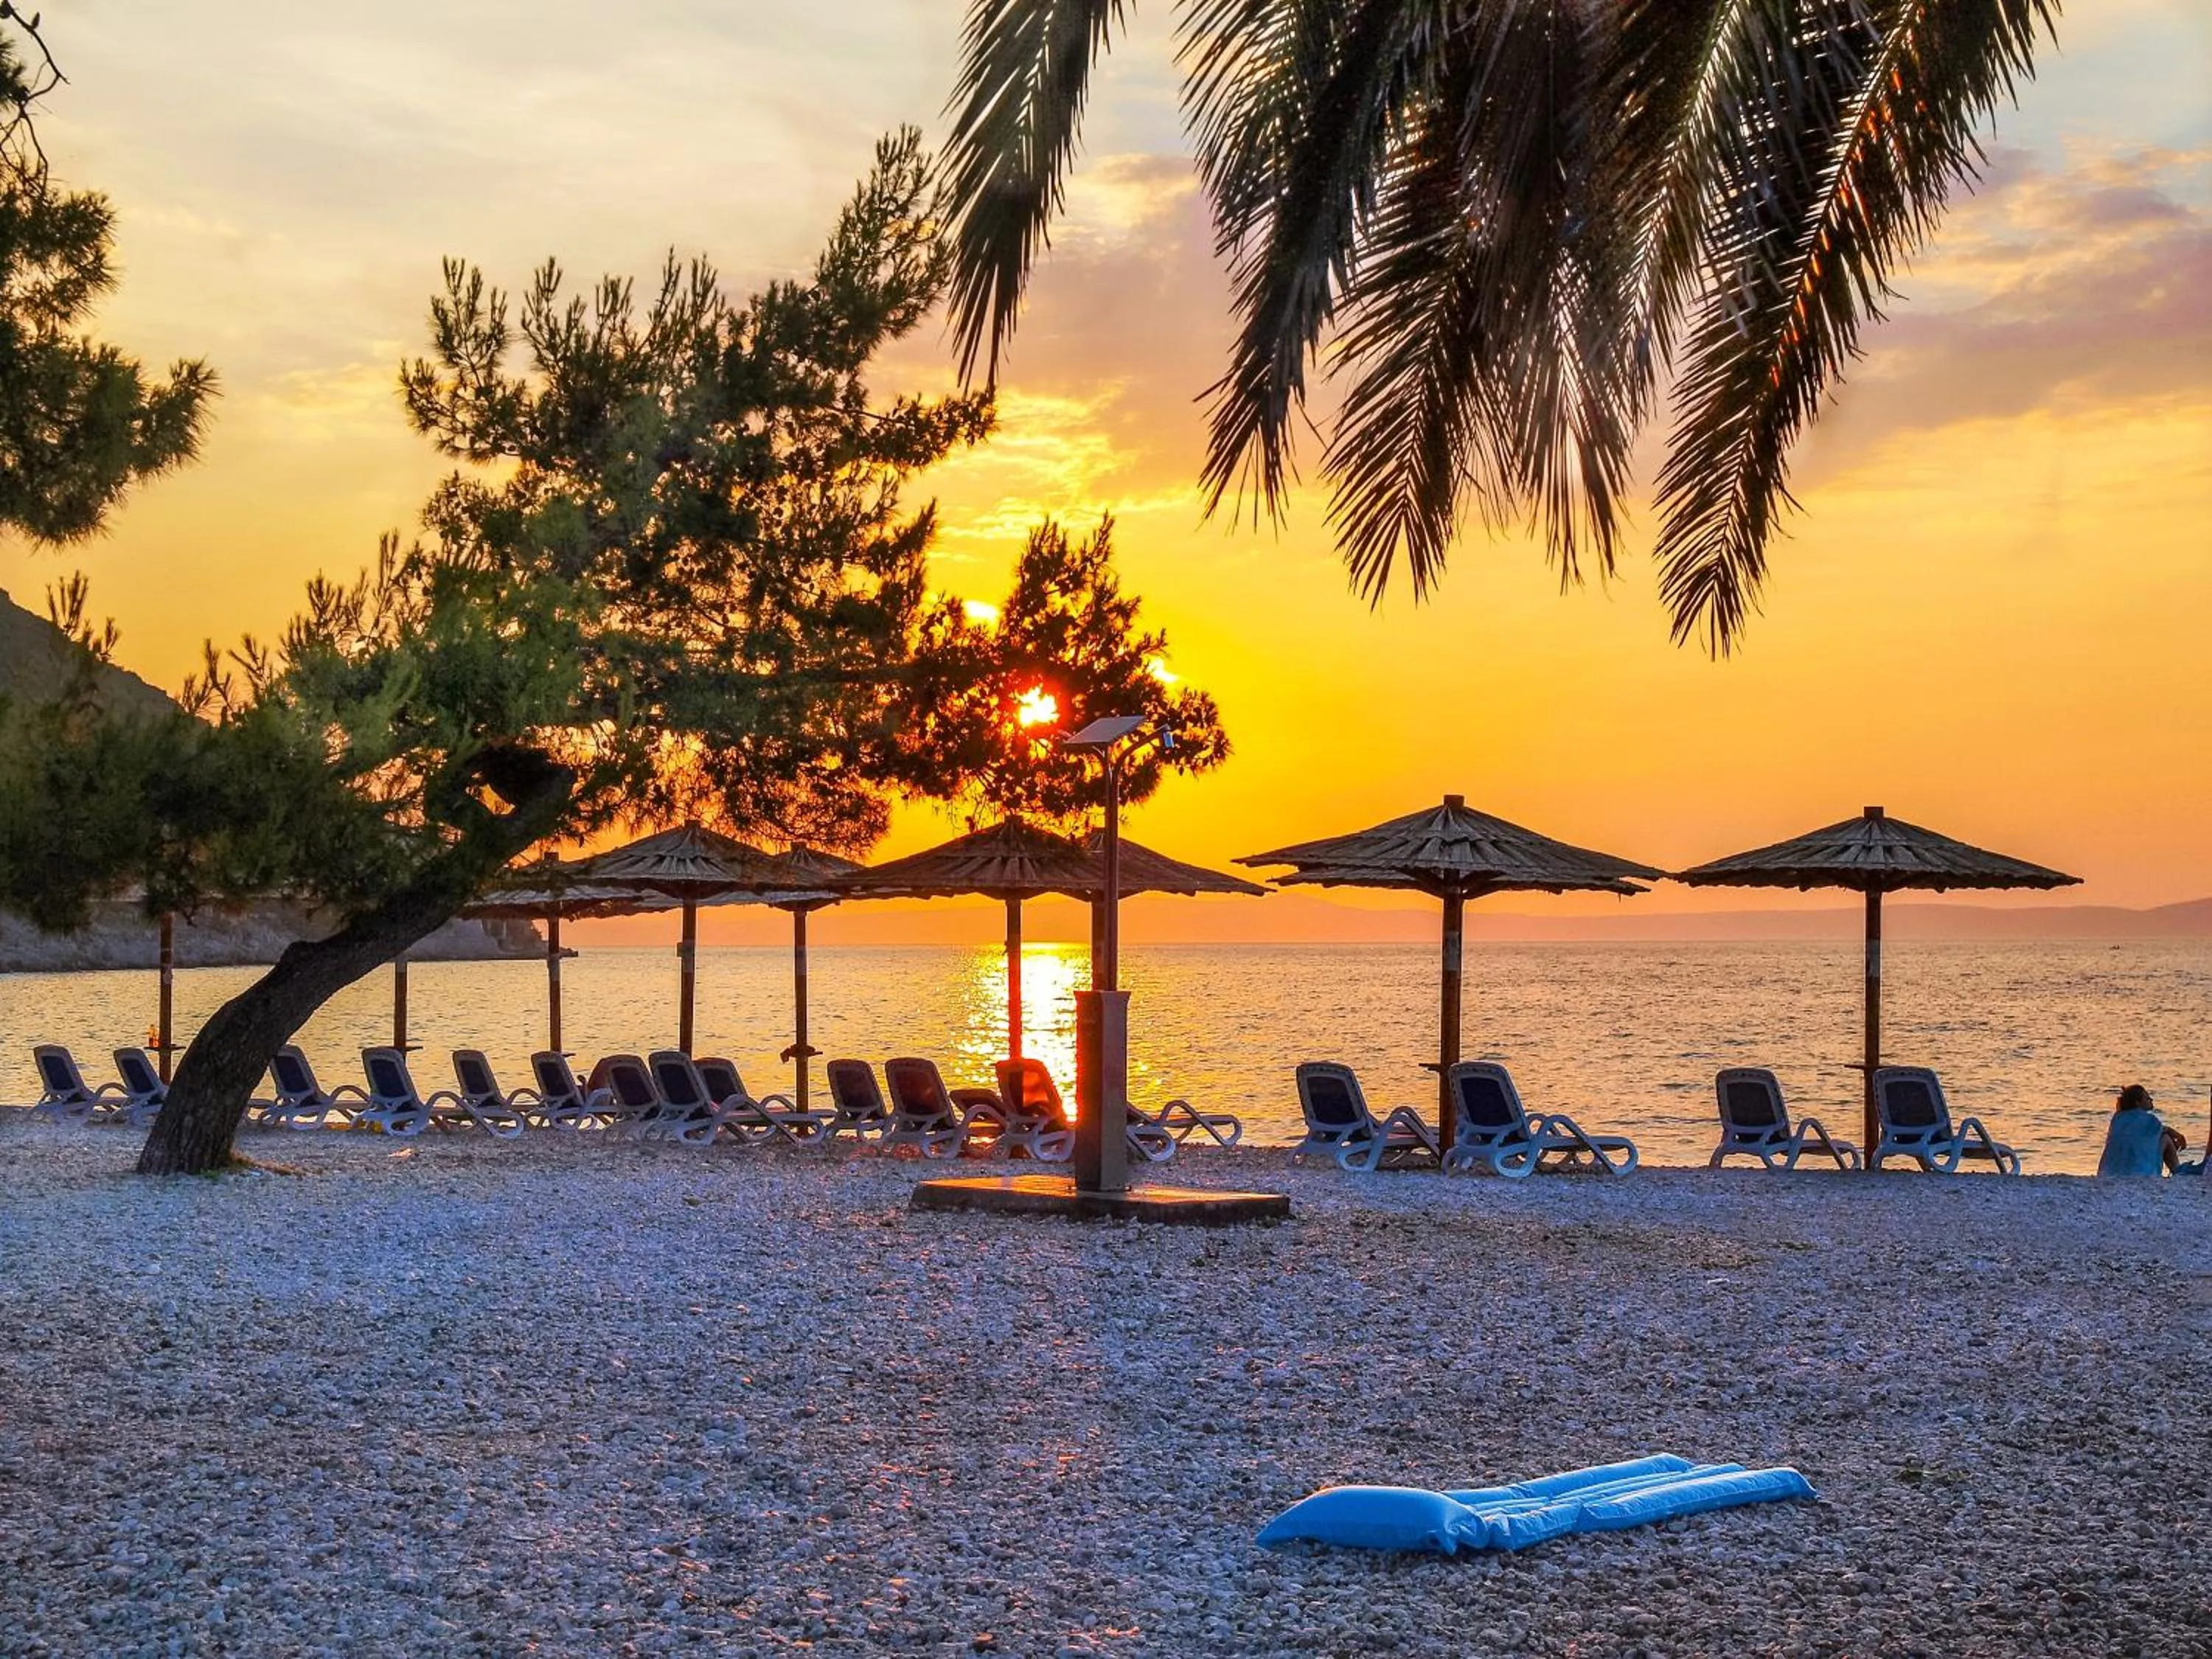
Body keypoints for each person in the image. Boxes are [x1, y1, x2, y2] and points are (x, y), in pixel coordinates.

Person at [2096, 1084, 2185, 1178]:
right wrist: (2178, 1136)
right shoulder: (2150, 1120)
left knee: (2163, 1135)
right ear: (2138, 1103)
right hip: (2141, 1171)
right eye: (2147, 1098)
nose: (2151, 1100)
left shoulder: (2118, 1118)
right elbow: (2162, 1132)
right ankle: (2177, 1171)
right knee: (2166, 1138)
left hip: (2107, 1171)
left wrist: (2175, 1134)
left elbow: (2157, 1132)